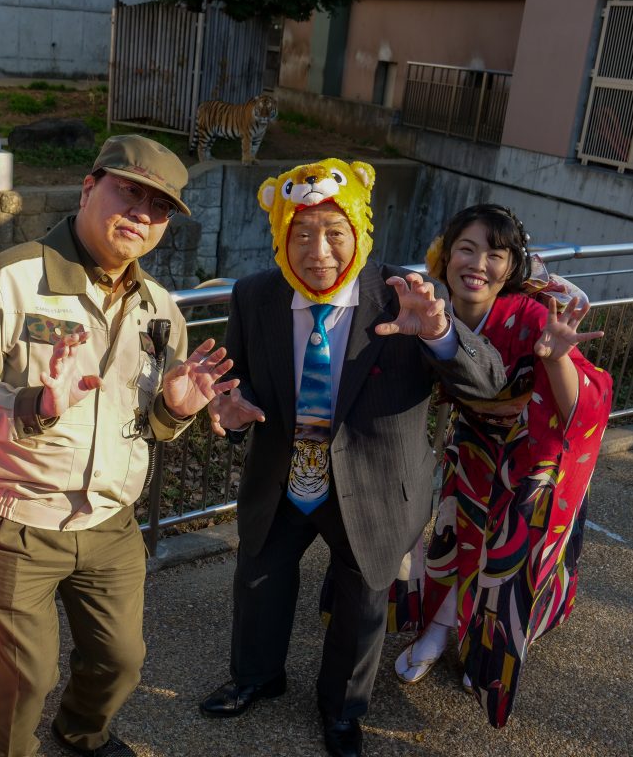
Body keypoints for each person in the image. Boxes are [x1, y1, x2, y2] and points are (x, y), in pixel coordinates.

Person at [0, 134, 238, 757]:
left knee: (122, 660)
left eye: (160, 207)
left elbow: (147, 419)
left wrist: (173, 411)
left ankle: (81, 732)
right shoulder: (7, 281)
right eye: (129, 192)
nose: (143, 214)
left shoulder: (159, 311)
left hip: (110, 522)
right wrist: (32, 404)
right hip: (12, 516)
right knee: (20, 679)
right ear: (90, 187)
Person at [197, 159, 507, 757]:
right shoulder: (255, 295)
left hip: (376, 485)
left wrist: (440, 336)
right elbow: (235, 386)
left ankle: (342, 709)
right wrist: (229, 410)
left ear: (361, 232)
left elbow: (488, 382)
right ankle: (257, 676)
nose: (318, 251)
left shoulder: (409, 296)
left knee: (362, 601)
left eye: (335, 233)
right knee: (258, 580)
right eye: (302, 232)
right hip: (282, 477)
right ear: (280, 235)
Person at [389, 204, 613, 727]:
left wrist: (556, 357)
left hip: (533, 449)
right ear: (444, 257)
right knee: (457, 535)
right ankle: (442, 625)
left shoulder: (531, 316)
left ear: (510, 268)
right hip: (475, 441)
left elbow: (587, 402)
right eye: (466, 248)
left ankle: (487, 651)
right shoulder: (430, 303)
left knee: (508, 558)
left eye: (495, 254)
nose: (479, 264)